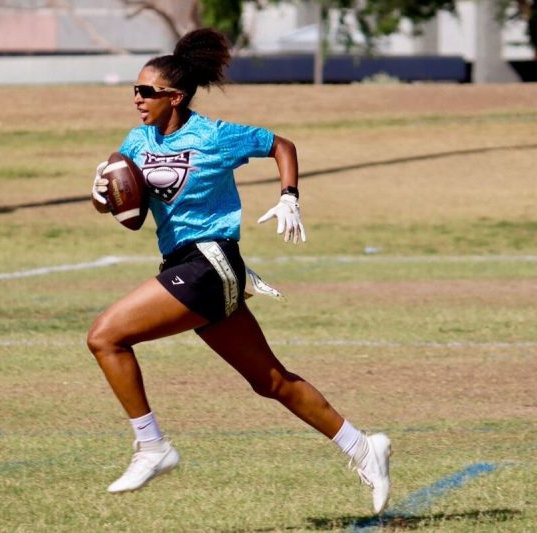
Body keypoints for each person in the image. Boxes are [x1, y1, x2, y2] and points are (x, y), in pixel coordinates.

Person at [86, 28, 391, 515]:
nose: (136, 99)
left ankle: (152, 446)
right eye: (135, 90)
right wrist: (103, 197)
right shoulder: (136, 142)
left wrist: (289, 196)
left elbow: (281, 145)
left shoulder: (213, 135)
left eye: (146, 91)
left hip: (211, 262)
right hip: (185, 265)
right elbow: (132, 216)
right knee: (269, 380)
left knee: (105, 337)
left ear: (175, 97)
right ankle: (362, 446)